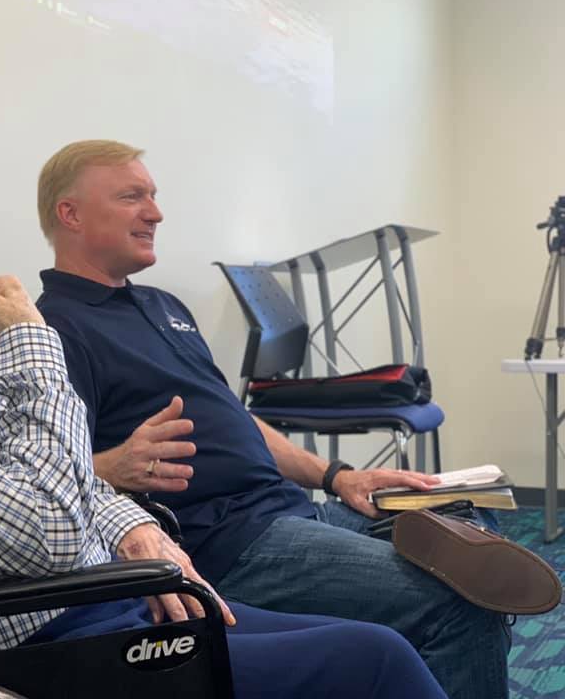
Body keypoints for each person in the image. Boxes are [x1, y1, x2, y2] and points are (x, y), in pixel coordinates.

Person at [0, 113, 446, 698]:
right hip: (31, 644)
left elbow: (41, 474)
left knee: (384, 629)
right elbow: (45, 527)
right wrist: (32, 340)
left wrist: (130, 526)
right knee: (377, 660)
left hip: (101, 597)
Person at [34, 139, 512, 699]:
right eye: (131, 196)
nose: (155, 212)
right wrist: (112, 465)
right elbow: (46, 480)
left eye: (153, 195)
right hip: (228, 541)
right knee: (461, 599)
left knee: (474, 528)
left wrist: (338, 476)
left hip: (290, 509)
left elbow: (234, 416)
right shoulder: (54, 330)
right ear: (71, 214)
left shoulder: (163, 306)